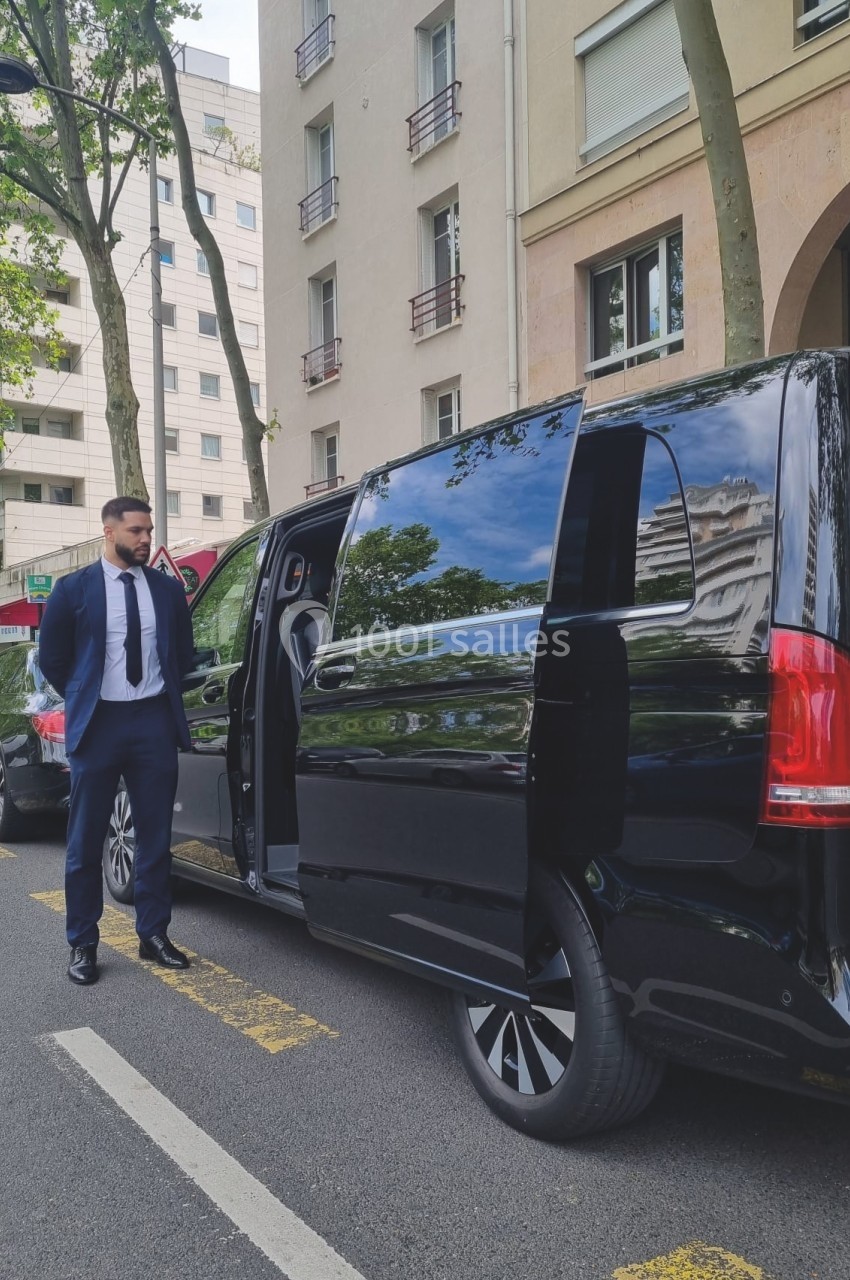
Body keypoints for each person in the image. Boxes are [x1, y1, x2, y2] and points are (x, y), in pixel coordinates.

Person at [39, 496, 195, 985]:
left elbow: (183, 655)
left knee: (155, 838)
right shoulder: (73, 590)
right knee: (85, 841)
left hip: (152, 722)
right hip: (98, 724)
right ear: (109, 532)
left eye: (148, 530)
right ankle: (83, 944)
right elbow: (53, 660)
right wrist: (85, 697)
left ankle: (153, 935)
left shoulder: (168, 591)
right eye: (135, 531)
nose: (146, 539)